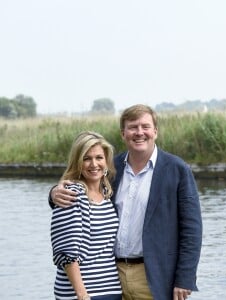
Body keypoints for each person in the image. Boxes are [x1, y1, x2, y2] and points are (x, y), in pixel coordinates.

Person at [49, 104, 202, 300]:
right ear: (123, 133)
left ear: (155, 131)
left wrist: (185, 278)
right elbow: (83, 191)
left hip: (154, 276)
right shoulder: (112, 169)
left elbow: (192, 229)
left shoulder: (177, 169)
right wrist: (54, 193)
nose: (139, 132)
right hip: (113, 276)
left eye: (145, 126)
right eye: (133, 127)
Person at [50, 131, 122, 300]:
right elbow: (66, 253)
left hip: (111, 290)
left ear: (106, 161)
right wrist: (82, 295)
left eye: (99, 157)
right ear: (77, 162)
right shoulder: (72, 194)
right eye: (86, 158)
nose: (94, 164)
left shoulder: (106, 193)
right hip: (81, 294)